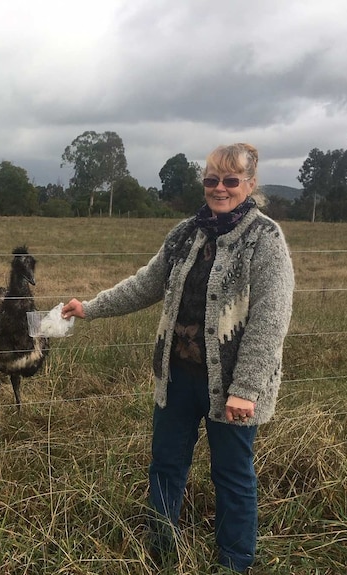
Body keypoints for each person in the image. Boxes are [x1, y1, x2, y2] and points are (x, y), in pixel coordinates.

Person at [61, 143, 294, 572]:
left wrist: (245, 389)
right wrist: (90, 307)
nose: (219, 188)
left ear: (250, 184)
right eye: (211, 180)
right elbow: (147, 284)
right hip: (177, 376)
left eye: (230, 180)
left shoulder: (265, 239)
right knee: (166, 466)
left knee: (232, 476)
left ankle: (234, 563)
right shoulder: (187, 232)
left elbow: (270, 320)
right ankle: (162, 553)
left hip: (231, 388)